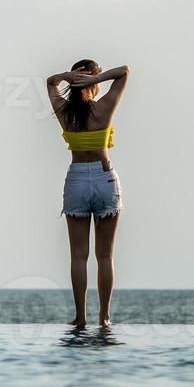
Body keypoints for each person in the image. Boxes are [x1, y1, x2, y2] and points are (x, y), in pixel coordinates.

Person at [45, 59, 130, 329]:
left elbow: (50, 82)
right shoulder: (104, 107)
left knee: (78, 256)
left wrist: (66, 76)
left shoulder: (63, 110)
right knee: (105, 256)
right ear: (92, 82)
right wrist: (95, 80)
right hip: (105, 178)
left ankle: (81, 317)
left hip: (77, 179)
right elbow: (125, 71)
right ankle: (104, 317)